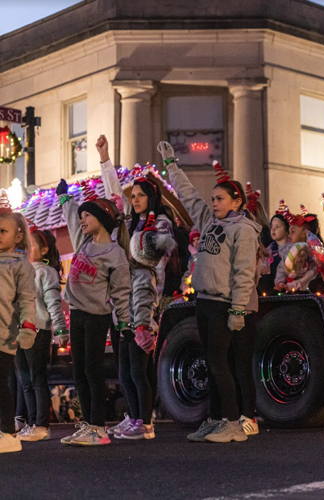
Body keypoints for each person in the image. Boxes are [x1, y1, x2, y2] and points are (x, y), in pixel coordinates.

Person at [160, 143, 260, 443]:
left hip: (224, 303)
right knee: (212, 362)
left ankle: (233, 422)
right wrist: (171, 166)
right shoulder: (208, 222)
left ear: (237, 201)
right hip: (204, 302)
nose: (214, 203)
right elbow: (189, 195)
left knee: (221, 363)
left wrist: (239, 310)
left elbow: (244, 272)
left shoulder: (243, 230)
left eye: (220, 199)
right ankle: (217, 420)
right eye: (213, 198)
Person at [97, 135, 177, 440]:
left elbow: (151, 264)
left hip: (142, 306)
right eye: (134, 196)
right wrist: (105, 159)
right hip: (122, 306)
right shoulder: (130, 225)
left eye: (141, 195)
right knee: (124, 370)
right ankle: (133, 417)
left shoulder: (160, 225)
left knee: (138, 370)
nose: (135, 199)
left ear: (152, 198)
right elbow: (114, 196)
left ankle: (145, 424)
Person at [57, 179, 132, 446]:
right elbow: (70, 219)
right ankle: (87, 424)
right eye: (82, 215)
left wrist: (124, 321)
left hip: (96, 316)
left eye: (88, 214)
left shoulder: (115, 254)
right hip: (76, 313)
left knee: (92, 370)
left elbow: (122, 292)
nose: (82, 219)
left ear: (102, 219)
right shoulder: (83, 244)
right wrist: (66, 199)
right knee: (78, 371)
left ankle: (99, 428)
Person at [16, 228, 67, 443]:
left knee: (37, 378)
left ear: (45, 249)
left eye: (32, 245)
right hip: (18, 332)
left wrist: (60, 329)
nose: (28, 249)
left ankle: (42, 425)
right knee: (25, 380)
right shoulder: (21, 270)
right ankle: (31, 423)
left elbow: (53, 302)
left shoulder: (46, 272)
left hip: (37, 330)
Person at [0, 199, 37, 454]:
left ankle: (10, 433)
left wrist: (27, 327)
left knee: (1, 382)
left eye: (2, 231)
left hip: (5, 334)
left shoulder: (20, 265)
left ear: (18, 235)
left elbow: (27, 298)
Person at [274, 206, 320, 293]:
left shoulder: (312, 251)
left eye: (293, 232)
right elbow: (281, 267)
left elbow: (312, 273)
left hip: (304, 289)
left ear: (304, 233)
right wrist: (280, 282)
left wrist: (293, 285)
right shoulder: (288, 249)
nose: (289, 235)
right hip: (287, 286)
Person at [258, 201, 290, 295]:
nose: (273, 229)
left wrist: (271, 269)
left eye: (277, 227)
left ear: (286, 230)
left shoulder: (291, 247)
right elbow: (263, 264)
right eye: (272, 226)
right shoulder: (270, 248)